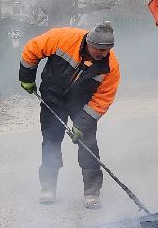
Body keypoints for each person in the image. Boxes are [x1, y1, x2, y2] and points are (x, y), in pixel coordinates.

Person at [18, 22, 121, 209]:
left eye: (106, 50)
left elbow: (103, 99)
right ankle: (48, 187)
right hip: (52, 96)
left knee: (88, 143)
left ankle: (92, 192)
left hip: (81, 105)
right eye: (98, 49)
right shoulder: (63, 38)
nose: (102, 54)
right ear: (89, 42)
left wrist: (82, 123)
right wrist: (27, 77)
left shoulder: (110, 66)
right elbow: (32, 49)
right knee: (51, 140)